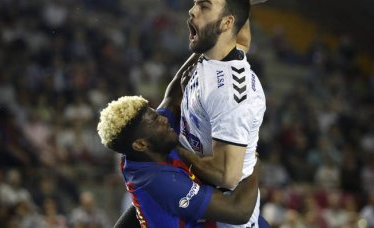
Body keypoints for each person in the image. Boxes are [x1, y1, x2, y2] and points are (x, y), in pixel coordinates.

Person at [177, 0, 279, 227]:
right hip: (203, 204)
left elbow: (227, 176)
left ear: (226, 23)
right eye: (194, 4)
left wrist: (174, 151)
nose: (192, 11)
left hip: (223, 219)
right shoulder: (217, 54)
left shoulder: (230, 94)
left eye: (204, 6)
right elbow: (241, 41)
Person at [97, 95, 260, 227]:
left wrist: (203, 56)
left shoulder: (144, 150)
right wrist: (249, 154)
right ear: (140, 144)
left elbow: (171, 97)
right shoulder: (161, 182)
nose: (163, 119)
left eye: (156, 114)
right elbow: (239, 212)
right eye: (155, 121)